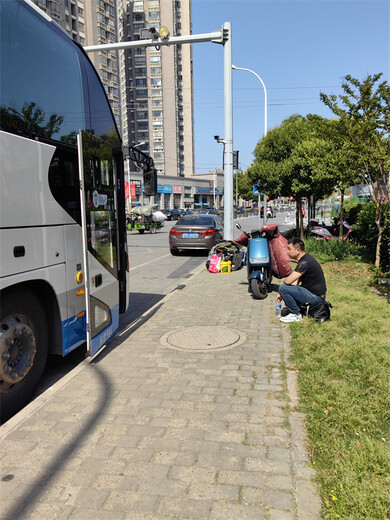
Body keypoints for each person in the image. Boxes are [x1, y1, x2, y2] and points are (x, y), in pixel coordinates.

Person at [276, 237, 327, 323]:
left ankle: (296, 314)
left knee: (283, 287)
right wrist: (281, 293)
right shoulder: (305, 260)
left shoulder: (305, 263)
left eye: (289, 249)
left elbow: (288, 281)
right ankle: (295, 310)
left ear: (298, 250)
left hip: (316, 298)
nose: (287, 252)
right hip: (315, 295)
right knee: (285, 289)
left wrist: (282, 290)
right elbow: (295, 283)